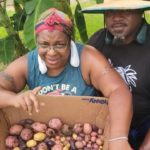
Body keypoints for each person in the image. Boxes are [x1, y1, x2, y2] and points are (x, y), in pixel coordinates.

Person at [0, 8, 132, 150]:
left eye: (60, 44)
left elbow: (118, 90)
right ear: (37, 42)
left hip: (80, 125)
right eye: (44, 45)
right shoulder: (27, 64)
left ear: (70, 41)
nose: (51, 52)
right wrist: (13, 99)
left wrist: (118, 137)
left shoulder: (88, 58)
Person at [82, 0, 150, 149]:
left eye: (125, 11)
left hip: (145, 127)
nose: (116, 18)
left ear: (140, 13)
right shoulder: (97, 42)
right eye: (110, 12)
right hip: (106, 123)